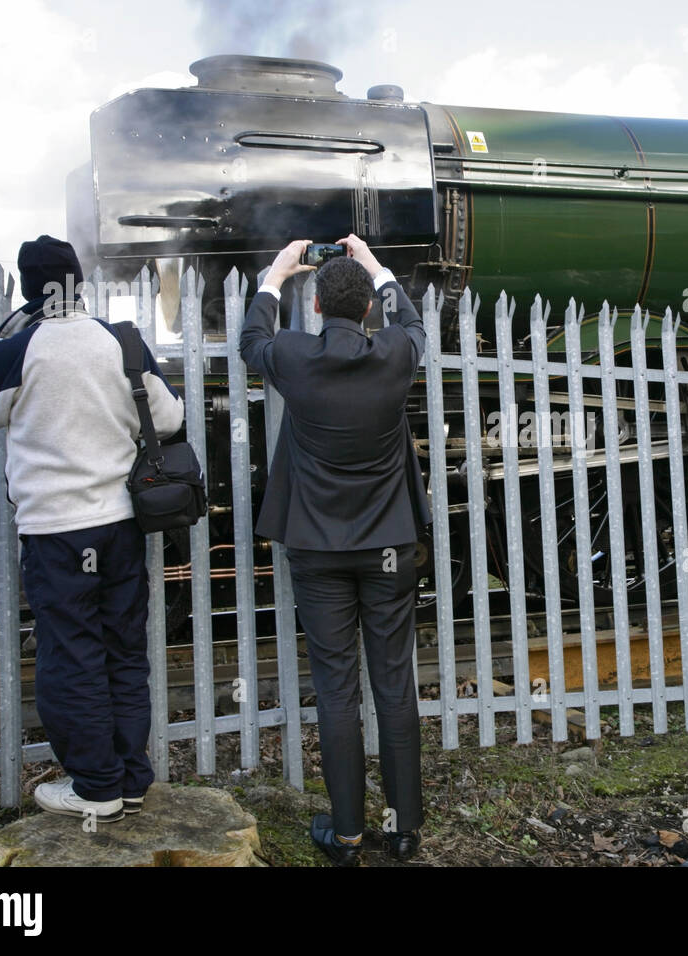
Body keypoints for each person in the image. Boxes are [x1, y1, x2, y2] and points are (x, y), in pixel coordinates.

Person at [0, 235, 184, 823]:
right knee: (125, 652)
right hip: (121, 526)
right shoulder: (120, 340)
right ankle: (131, 779)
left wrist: (14, 335)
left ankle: (97, 789)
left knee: (71, 657)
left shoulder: (22, 350)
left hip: (57, 533)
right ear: (79, 282)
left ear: (31, 291)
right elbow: (172, 417)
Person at [239, 235, 431, 866]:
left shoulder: (296, 358)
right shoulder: (396, 354)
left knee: (337, 689)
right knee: (394, 684)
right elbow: (412, 320)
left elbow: (251, 341)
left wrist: (274, 275)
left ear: (315, 306)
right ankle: (403, 831)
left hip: (318, 550)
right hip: (388, 550)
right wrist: (379, 269)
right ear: (370, 311)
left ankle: (346, 834)